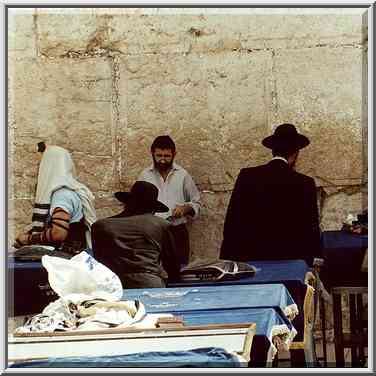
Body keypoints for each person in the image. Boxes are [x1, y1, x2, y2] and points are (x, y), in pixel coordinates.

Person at [220, 123, 322, 267]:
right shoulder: (305, 183)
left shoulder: (247, 176)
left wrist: (228, 259)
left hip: (251, 260)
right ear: (295, 154)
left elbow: (232, 221)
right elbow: (311, 227)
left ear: (272, 151)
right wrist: (314, 261)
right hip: (290, 262)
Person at [91, 181, 181, 288]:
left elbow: (98, 262)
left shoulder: (100, 226)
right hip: (149, 285)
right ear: (152, 208)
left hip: (112, 286)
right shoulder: (161, 225)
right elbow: (172, 265)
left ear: (127, 203)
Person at [14, 143, 97, 255]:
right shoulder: (66, 192)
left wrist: (28, 239)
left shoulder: (62, 195)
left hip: (67, 259)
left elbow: (58, 233)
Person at [137, 135, 201, 266]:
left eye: (167, 156)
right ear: (152, 154)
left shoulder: (183, 175)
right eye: (159, 156)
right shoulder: (144, 175)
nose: (162, 160)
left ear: (174, 154)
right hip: (151, 233)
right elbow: (136, 205)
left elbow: (197, 203)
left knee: (178, 271)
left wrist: (185, 209)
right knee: (152, 270)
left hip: (176, 232)